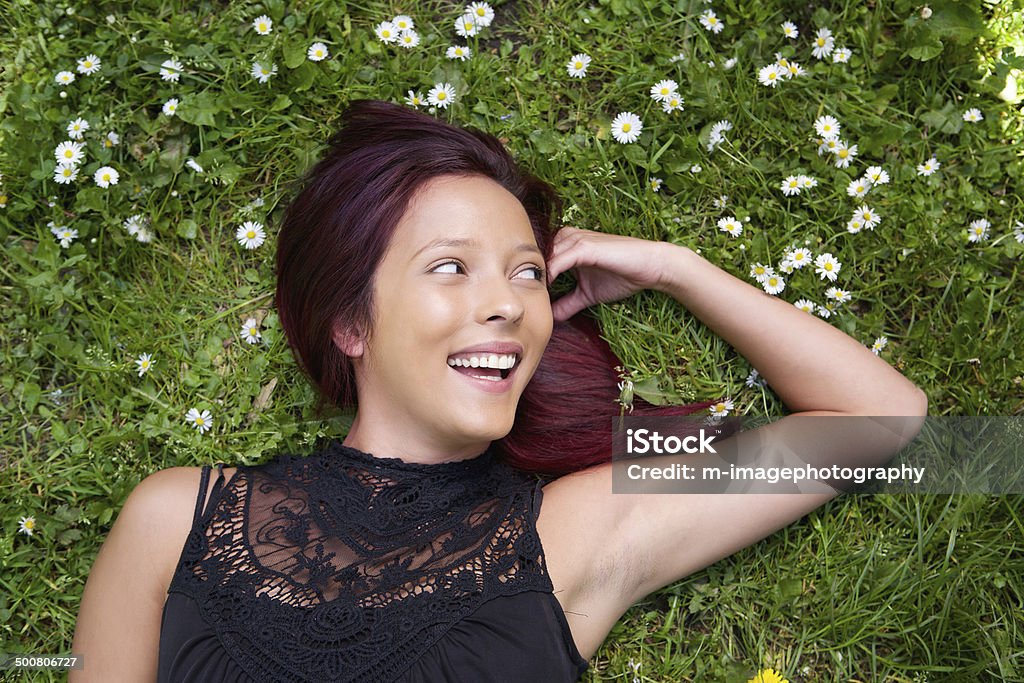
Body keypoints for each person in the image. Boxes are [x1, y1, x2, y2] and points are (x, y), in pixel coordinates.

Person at [70, 99, 927, 681]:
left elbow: (881, 420)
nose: (507, 304)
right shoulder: (173, 519)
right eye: (452, 267)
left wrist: (677, 268)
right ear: (351, 324)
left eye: (526, 272)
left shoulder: (574, 530)